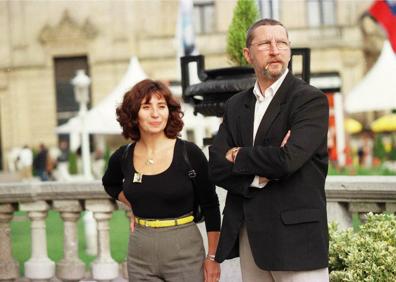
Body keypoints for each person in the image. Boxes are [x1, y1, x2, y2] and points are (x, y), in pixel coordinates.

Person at [208, 19, 329, 281]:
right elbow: (216, 166)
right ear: (248, 54)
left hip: (297, 242)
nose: (275, 49)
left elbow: (287, 160)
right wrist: (257, 175)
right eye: (265, 43)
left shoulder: (309, 99)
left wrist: (238, 154)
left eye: (282, 43)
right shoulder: (235, 105)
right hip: (249, 236)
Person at [102, 79, 221, 282]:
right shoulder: (123, 156)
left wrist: (212, 257)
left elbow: (211, 206)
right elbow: (110, 184)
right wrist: (133, 204)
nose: (156, 114)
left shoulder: (189, 153)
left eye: (162, 106)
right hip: (140, 251)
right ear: (133, 114)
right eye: (146, 107)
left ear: (170, 111)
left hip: (184, 250)